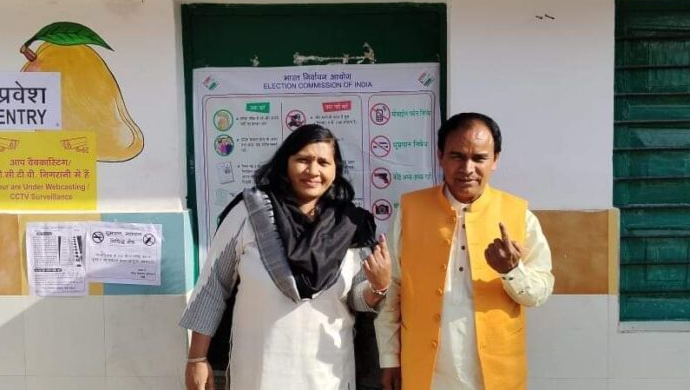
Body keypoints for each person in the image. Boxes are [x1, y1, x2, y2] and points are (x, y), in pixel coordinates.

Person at [181, 124, 391, 390]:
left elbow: (356, 300)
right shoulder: (249, 213)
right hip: (258, 373)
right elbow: (214, 286)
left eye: (323, 162)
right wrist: (197, 358)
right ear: (285, 163)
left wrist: (379, 286)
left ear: (335, 170)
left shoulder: (350, 224)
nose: (313, 170)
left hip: (329, 375)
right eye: (303, 160)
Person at [375, 112, 555, 390]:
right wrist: (390, 358)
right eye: (457, 156)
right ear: (440, 156)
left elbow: (539, 293)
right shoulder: (410, 211)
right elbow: (392, 289)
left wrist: (512, 271)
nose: (467, 168)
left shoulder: (519, 215)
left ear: (495, 160)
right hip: (426, 371)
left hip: (495, 373)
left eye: (479, 158)